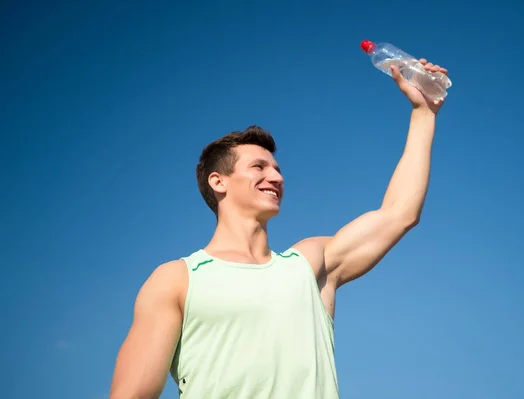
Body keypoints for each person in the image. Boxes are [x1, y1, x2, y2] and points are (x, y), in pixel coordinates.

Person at [108, 59, 449, 399]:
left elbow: (398, 213)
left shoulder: (310, 266)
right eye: (258, 166)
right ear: (219, 181)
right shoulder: (176, 279)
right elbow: (132, 393)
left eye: (277, 168)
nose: (276, 177)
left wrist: (424, 114)